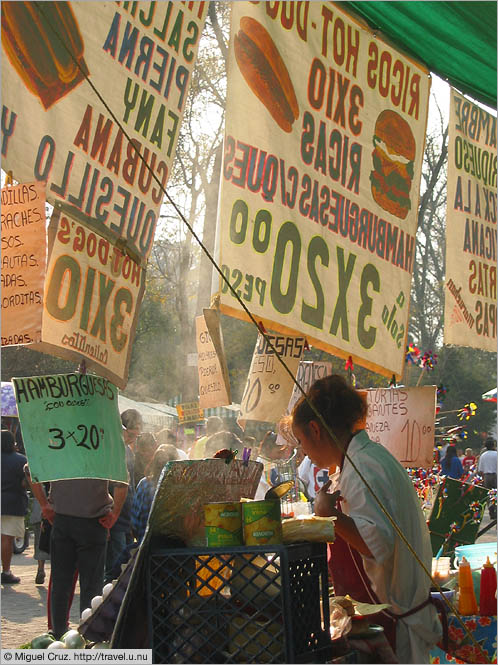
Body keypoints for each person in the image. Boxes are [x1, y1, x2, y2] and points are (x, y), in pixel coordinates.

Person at [287, 375, 441, 664]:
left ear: (315, 429)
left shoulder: (362, 467)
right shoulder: (366, 459)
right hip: (393, 616)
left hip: (394, 622)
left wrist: (329, 514)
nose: (301, 451)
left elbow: (377, 545)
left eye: (300, 441)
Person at [29, 474, 128, 638]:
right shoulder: (104, 447)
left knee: (61, 583)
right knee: (91, 585)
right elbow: (122, 483)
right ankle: (87, 637)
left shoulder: (56, 447)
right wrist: (115, 514)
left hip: (62, 518)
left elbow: (31, 471)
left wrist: (45, 505)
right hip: (94, 521)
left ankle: (59, 634)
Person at [131, 444, 179, 544]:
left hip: (146, 547)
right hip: (176, 548)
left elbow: (134, 521)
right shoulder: (180, 486)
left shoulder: (144, 484)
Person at [1, 429, 28, 584]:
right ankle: (6, 571)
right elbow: (26, 483)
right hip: (13, 503)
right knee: (7, 538)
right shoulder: (21, 460)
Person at [478, 439, 497, 520]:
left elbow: (480, 470)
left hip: (486, 476)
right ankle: (495, 508)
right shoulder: (496, 454)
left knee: (489, 494)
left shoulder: (483, 455)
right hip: (495, 475)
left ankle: (490, 508)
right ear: (493, 445)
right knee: (496, 493)